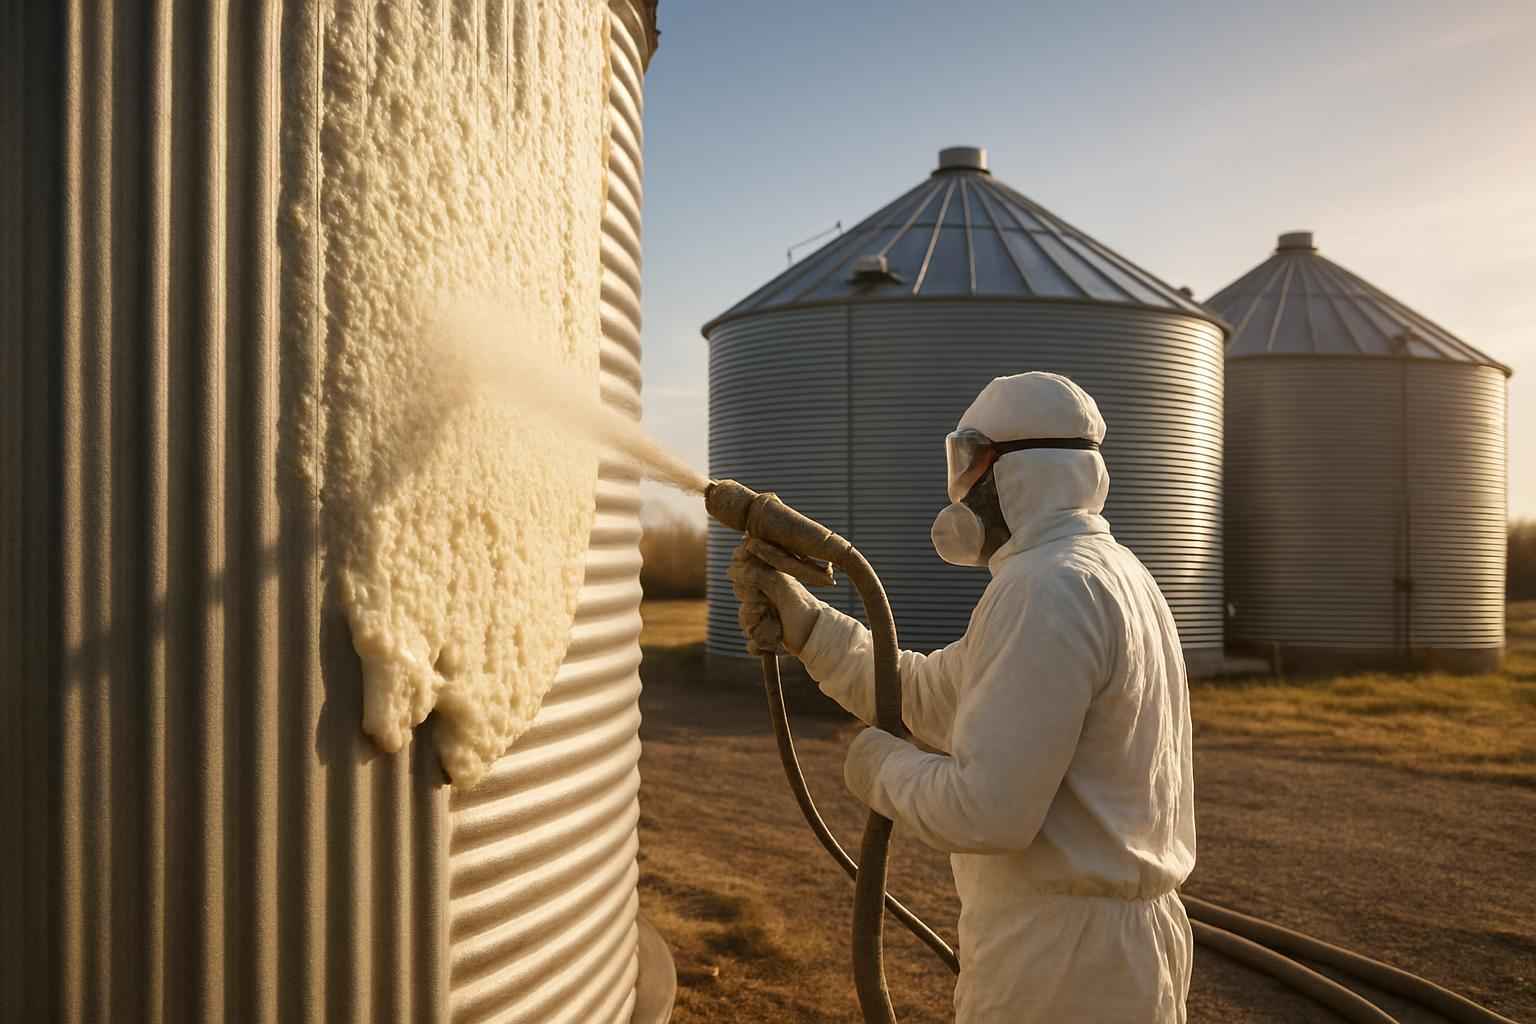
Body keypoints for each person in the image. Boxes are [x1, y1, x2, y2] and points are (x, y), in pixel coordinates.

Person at [730, 371, 1196, 1024]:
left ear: (1020, 471)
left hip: (1060, 969)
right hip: (1106, 953)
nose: (961, 488)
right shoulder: (1108, 573)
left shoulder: (1045, 589)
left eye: (971, 463)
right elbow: (924, 692)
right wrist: (807, 626)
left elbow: (988, 811)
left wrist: (879, 767)